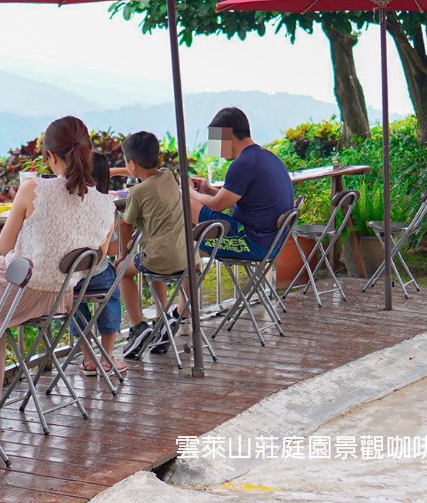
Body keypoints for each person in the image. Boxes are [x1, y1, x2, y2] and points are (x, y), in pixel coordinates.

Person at [0, 116, 116, 407]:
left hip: (16, 295)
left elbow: (4, 246)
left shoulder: (33, 190)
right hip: (59, 301)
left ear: (50, 156)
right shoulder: (105, 205)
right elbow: (95, 257)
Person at [116, 131, 188, 360]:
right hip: (187, 256)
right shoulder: (169, 176)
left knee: (122, 272)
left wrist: (122, 254)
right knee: (152, 259)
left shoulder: (137, 191)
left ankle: (138, 326)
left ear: (132, 165)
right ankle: (161, 322)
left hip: (160, 259)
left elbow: (124, 225)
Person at [189, 106, 295, 261]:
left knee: (187, 205)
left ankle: (168, 261)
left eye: (216, 139)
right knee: (192, 249)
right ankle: (185, 259)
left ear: (228, 134)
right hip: (272, 244)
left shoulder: (243, 164)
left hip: (253, 243)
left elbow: (216, 206)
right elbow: (237, 201)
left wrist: (189, 191)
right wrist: (208, 189)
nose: (216, 148)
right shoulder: (266, 156)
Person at [71, 151, 127, 376]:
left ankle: (88, 359)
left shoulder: (67, 205)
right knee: (111, 297)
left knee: (74, 305)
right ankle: (107, 356)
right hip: (99, 276)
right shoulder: (107, 207)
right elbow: (113, 250)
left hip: (71, 278)